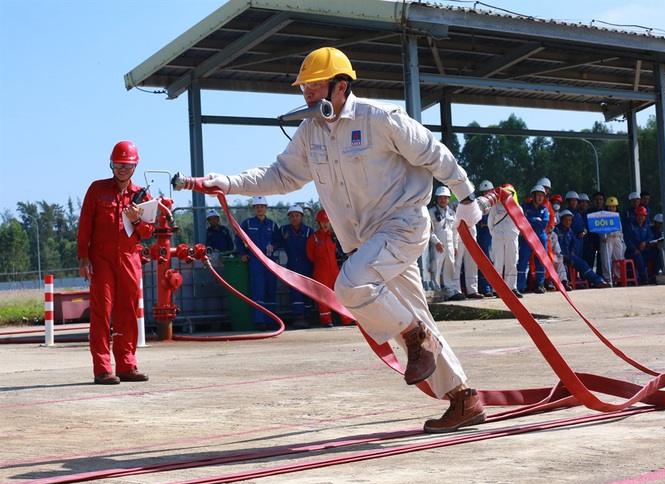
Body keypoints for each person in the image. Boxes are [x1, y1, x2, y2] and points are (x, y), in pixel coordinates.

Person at [200, 47, 493, 433]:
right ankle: (464, 398)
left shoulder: (379, 118)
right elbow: (281, 175)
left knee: (353, 286)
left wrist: (466, 197)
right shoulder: (311, 132)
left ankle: (418, 338)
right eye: (303, 87)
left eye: (315, 85)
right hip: (364, 240)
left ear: (341, 86)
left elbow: (433, 153)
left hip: (401, 223)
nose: (306, 93)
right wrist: (230, 183)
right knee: (413, 321)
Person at [77, 141, 153, 385]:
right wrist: (83, 258)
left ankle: (127, 365)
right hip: (101, 259)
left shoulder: (143, 197)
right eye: (119, 164)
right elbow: (85, 225)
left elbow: (148, 231)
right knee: (101, 312)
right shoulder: (97, 190)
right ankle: (102, 369)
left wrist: (137, 220)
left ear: (135, 166)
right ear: (112, 164)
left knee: (128, 312)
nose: (123, 169)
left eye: (128, 165)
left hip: (130, 259)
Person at [234, 196, 281, 331]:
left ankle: (272, 320)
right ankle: (260, 321)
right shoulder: (247, 224)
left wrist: (274, 246)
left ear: (266, 208)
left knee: (271, 290)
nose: (260, 209)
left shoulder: (272, 225)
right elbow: (238, 239)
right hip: (255, 262)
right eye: (257, 207)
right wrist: (243, 253)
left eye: (262, 206)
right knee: (258, 291)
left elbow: (278, 241)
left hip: (270, 262)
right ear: (254, 209)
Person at [306, 209, 354, 327]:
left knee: (340, 294)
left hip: (335, 271)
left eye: (327, 221)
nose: (325, 224)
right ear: (318, 222)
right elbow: (310, 255)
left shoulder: (334, 237)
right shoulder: (314, 238)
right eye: (322, 221)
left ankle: (347, 319)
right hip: (321, 272)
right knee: (323, 297)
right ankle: (327, 321)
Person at [279, 205, 315, 329]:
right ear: (289, 217)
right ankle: (298, 317)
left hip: (307, 266)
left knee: (307, 292)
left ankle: (308, 316)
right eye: (292, 216)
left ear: (302, 217)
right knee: (295, 293)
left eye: (297, 216)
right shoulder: (284, 231)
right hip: (292, 267)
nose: (295, 218)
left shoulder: (309, 231)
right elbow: (275, 241)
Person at [555, 211, 610, 289]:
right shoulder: (556, 230)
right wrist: (562, 255)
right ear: (561, 220)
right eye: (566, 220)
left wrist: (572, 250)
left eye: (570, 220)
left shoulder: (570, 231)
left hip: (569, 255)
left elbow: (573, 242)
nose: (568, 222)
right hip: (558, 256)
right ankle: (565, 284)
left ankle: (598, 281)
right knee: (563, 266)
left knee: (583, 264)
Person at [429, 186, 464, 301]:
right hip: (437, 244)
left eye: (445, 198)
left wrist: (455, 246)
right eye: (440, 198)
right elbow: (428, 230)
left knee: (450, 268)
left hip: (449, 244)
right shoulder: (431, 212)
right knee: (436, 267)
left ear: (449, 199)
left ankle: (450, 292)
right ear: (437, 199)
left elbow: (455, 231)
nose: (442, 200)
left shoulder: (452, 213)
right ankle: (436, 291)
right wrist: (436, 242)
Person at [488, 184, 523, 298]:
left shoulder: (518, 208)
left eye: (510, 192)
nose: (508, 194)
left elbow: (521, 224)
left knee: (512, 263)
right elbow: (490, 223)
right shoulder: (495, 207)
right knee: (498, 262)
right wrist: (495, 234)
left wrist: (514, 233)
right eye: (506, 192)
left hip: (512, 237)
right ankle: (497, 289)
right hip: (498, 237)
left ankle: (512, 288)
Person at [517, 185, 550, 294]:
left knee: (540, 261)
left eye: (542, 196)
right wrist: (535, 219)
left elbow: (544, 223)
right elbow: (522, 220)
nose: (540, 198)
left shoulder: (544, 209)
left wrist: (531, 222)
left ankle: (539, 285)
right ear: (533, 195)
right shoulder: (525, 207)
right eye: (538, 195)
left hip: (541, 237)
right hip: (527, 238)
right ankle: (519, 286)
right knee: (522, 261)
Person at [623, 205, 652, 285]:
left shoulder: (646, 226)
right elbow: (627, 240)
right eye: (639, 216)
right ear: (636, 216)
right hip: (631, 252)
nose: (641, 218)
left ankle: (653, 276)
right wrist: (634, 249)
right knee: (638, 256)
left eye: (643, 216)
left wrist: (645, 242)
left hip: (644, 250)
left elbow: (650, 237)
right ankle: (643, 277)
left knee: (655, 255)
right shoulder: (630, 226)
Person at [476, 180, 495, 297]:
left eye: (488, 191)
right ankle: (485, 287)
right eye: (484, 192)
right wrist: (488, 222)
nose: (486, 194)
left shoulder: (496, 204)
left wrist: (488, 222)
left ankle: (494, 287)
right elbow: (481, 220)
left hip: (494, 234)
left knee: (495, 260)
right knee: (485, 260)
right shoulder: (478, 204)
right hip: (483, 235)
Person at [600, 196, 624, 283]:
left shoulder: (617, 216)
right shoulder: (602, 216)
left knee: (619, 258)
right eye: (610, 207)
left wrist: (621, 240)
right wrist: (602, 237)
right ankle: (607, 278)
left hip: (617, 238)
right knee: (606, 259)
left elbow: (620, 229)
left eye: (613, 207)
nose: (612, 208)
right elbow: (599, 228)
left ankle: (619, 277)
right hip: (607, 239)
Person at [584, 191, 605, 278]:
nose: (598, 201)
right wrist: (589, 242)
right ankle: (589, 279)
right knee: (590, 261)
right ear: (593, 201)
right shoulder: (588, 213)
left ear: (603, 201)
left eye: (600, 199)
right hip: (591, 240)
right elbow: (586, 227)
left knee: (602, 260)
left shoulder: (606, 212)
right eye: (597, 199)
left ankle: (600, 278)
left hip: (602, 240)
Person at [565, 191, 588, 260]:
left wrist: (583, 232)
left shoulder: (578, 213)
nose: (574, 202)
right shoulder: (566, 213)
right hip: (571, 240)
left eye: (575, 201)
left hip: (580, 241)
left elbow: (584, 226)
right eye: (572, 200)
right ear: (568, 201)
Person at [646, 213, 665, 279]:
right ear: (655, 222)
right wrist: (657, 242)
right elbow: (648, 243)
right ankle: (655, 274)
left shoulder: (662, 231)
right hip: (650, 251)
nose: (661, 225)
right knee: (659, 256)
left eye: (662, 223)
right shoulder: (650, 230)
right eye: (659, 223)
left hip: (661, 250)